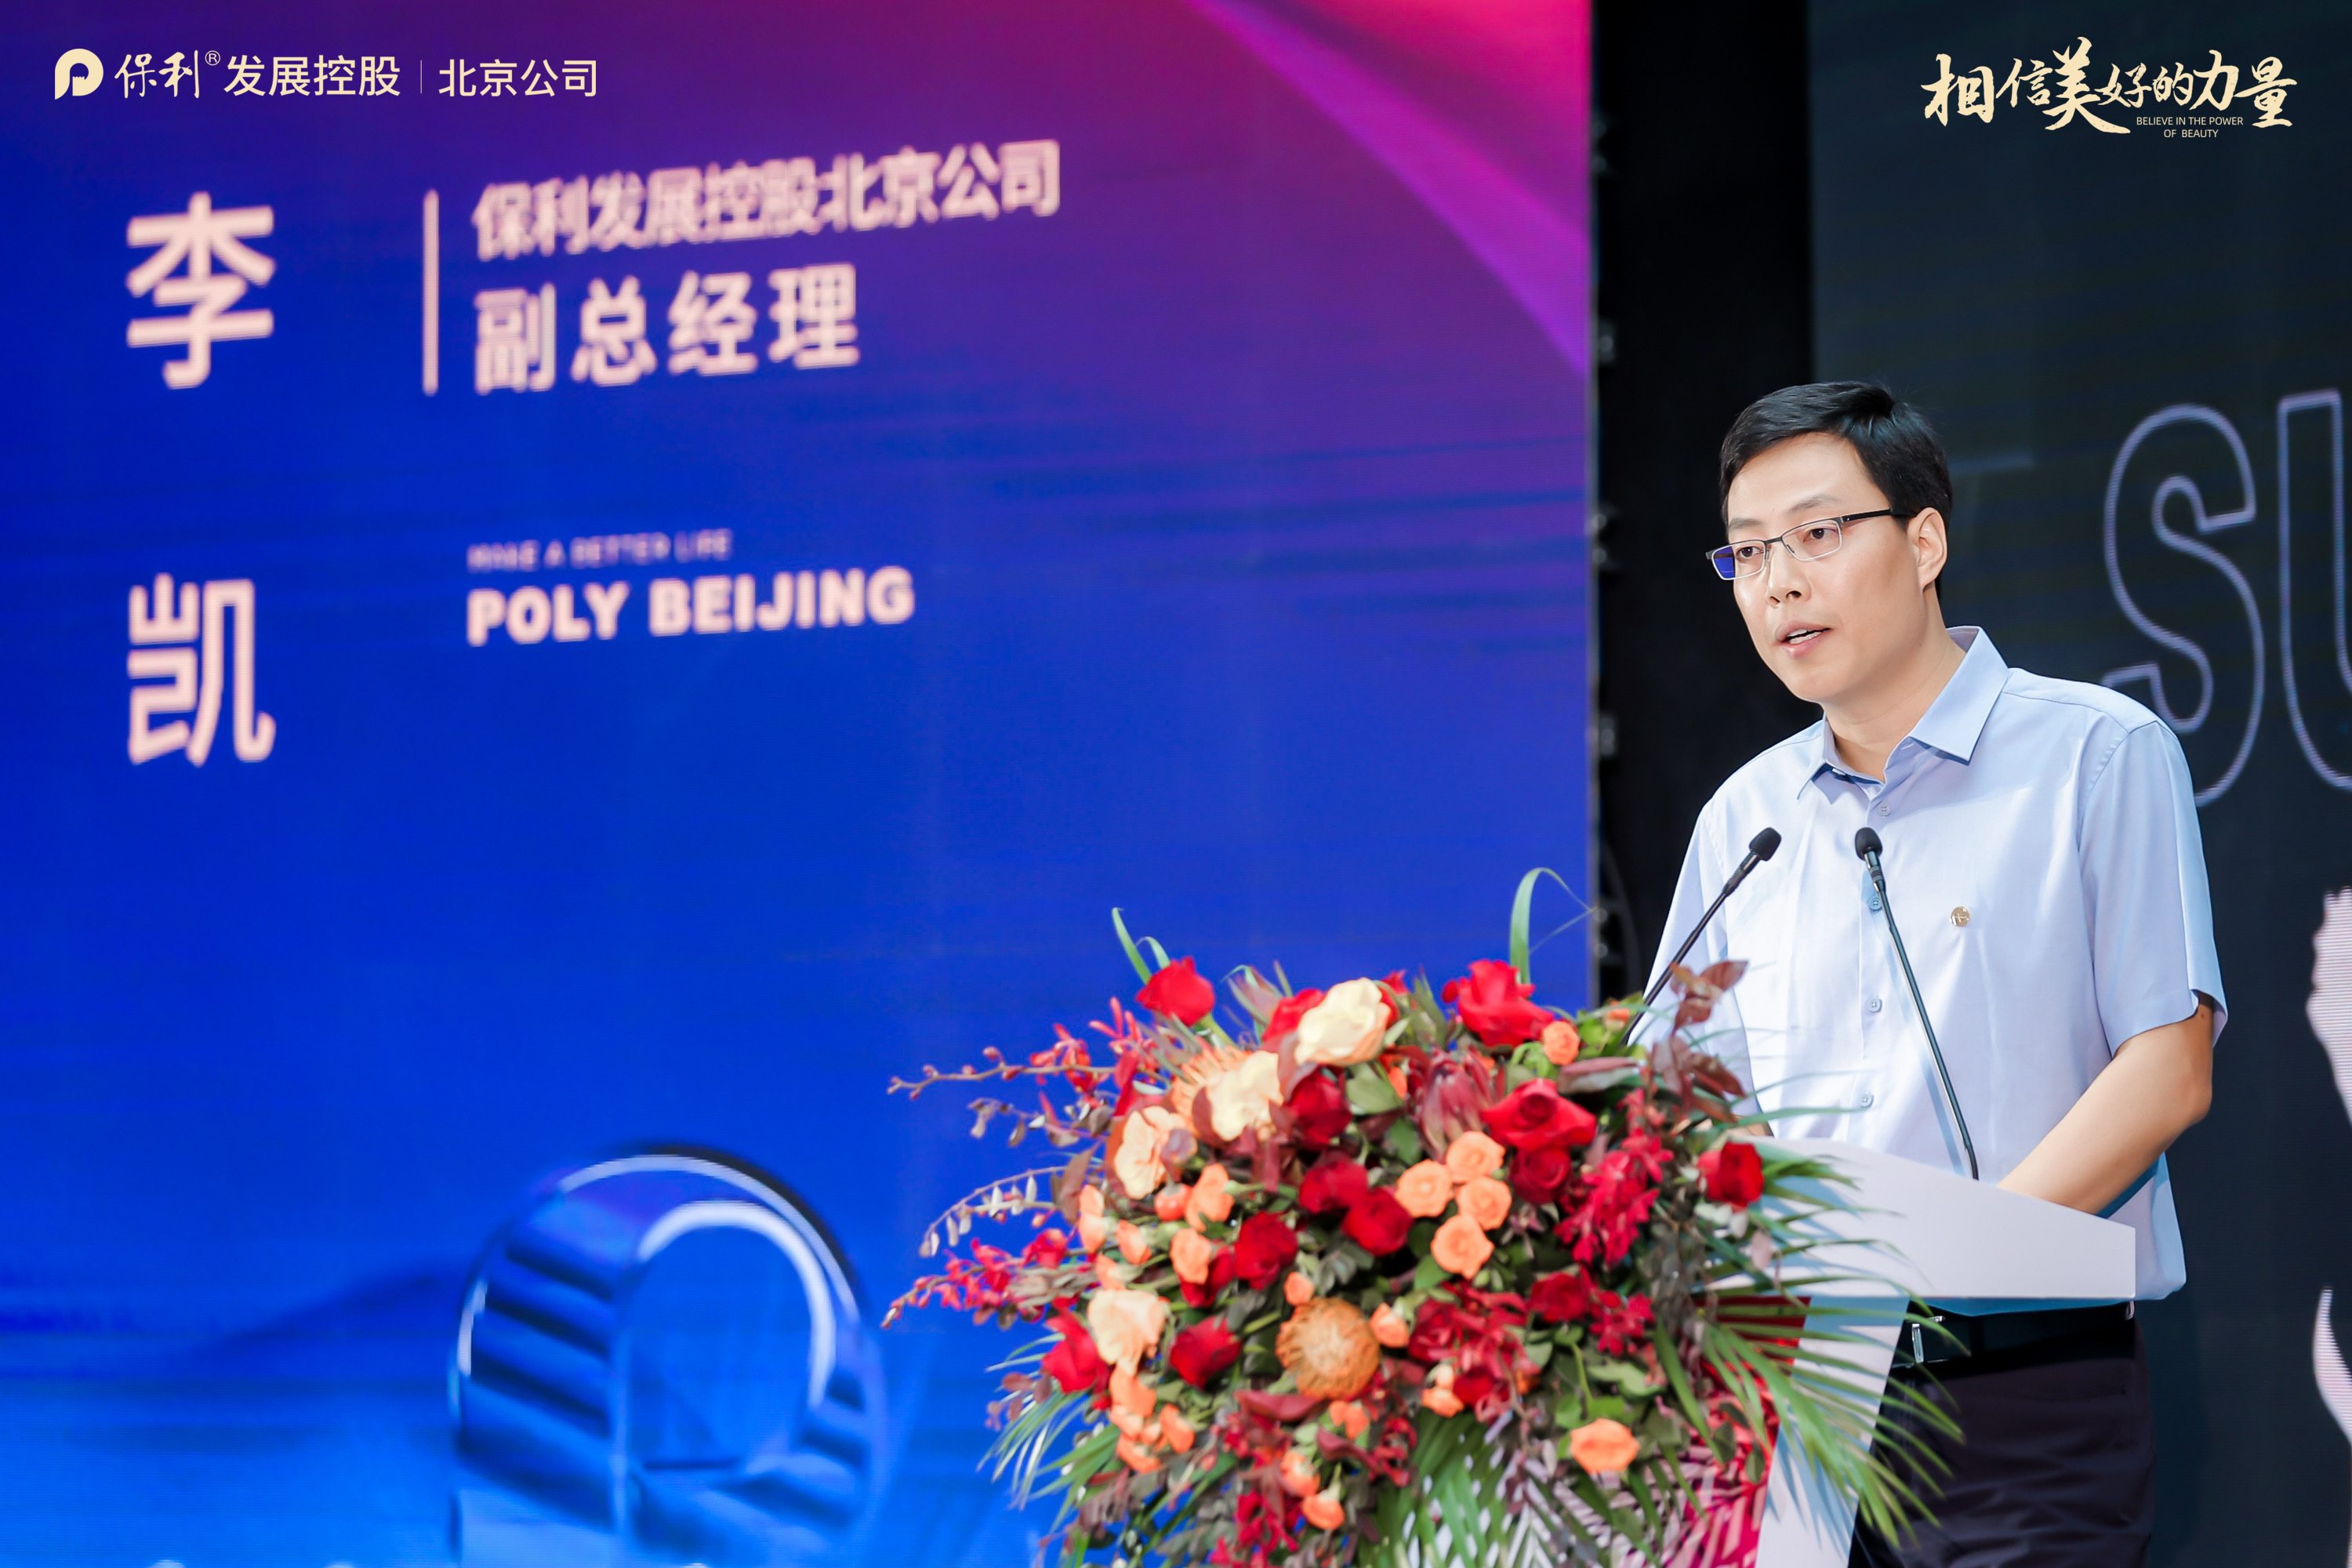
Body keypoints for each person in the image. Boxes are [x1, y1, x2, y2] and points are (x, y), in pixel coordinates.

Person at [1646, 382, 2223, 1567]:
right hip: (1797, 1411)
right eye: (1748, 553)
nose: (1779, 582)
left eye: (1816, 533)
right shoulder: (1745, 819)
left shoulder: (2096, 754)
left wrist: (1948, 1262)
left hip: (2020, 1396)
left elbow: (2167, 1068)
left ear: (1923, 543)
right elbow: (1682, 1108)